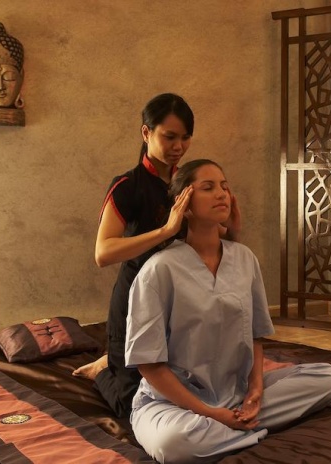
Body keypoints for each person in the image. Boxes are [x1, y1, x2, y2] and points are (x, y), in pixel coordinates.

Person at [124, 159, 331, 463]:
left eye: (225, 187)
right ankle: (245, 429)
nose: (222, 194)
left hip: (236, 393)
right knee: (173, 444)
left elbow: (255, 337)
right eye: (208, 187)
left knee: (327, 378)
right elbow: (149, 365)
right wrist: (212, 413)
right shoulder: (158, 270)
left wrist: (255, 392)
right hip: (173, 404)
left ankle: (236, 425)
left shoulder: (244, 258)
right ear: (184, 205)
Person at [73, 93, 240, 418]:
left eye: (185, 138)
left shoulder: (186, 183)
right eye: (169, 137)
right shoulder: (127, 185)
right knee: (133, 407)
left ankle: (112, 361)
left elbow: (213, 237)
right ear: (146, 132)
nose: (179, 146)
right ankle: (104, 371)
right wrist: (165, 230)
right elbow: (103, 253)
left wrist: (232, 227)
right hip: (135, 301)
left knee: (186, 390)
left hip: (180, 301)